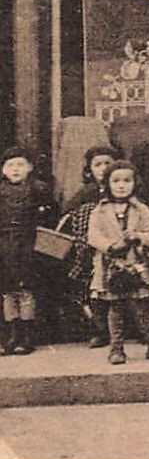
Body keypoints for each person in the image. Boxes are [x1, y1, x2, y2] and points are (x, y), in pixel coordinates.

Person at [88, 160, 149, 364]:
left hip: (136, 265)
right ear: (107, 183)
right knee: (115, 309)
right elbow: (93, 236)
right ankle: (116, 349)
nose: (121, 185)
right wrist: (110, 246)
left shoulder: (141, 209)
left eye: (127, 180)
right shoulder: (99, 210)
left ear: (135, 183)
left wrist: (138, 237)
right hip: (111, 267)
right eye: (116, 180)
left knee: (142, 307)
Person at [62, 144, 121, 348]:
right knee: (94, 292)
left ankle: (129, 329)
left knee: (123, 288)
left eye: (108, 163)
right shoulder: (86, 192)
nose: (103, 168)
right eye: (98, 164)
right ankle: (100, 330)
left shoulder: (123, 188)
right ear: (89, 170)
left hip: (117, 247)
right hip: (92, 248)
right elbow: (70, 212)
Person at [0, 147, 57, 355]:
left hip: (29, 244)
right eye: (10, 165)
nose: (15, 169)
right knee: (7, 291)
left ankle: (26, 335)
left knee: (26, 290)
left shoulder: (38, 189)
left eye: (20, 164)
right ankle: (12, 335)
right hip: (5, 245)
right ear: (3, 170)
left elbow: (51, 215)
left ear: (30, 168)